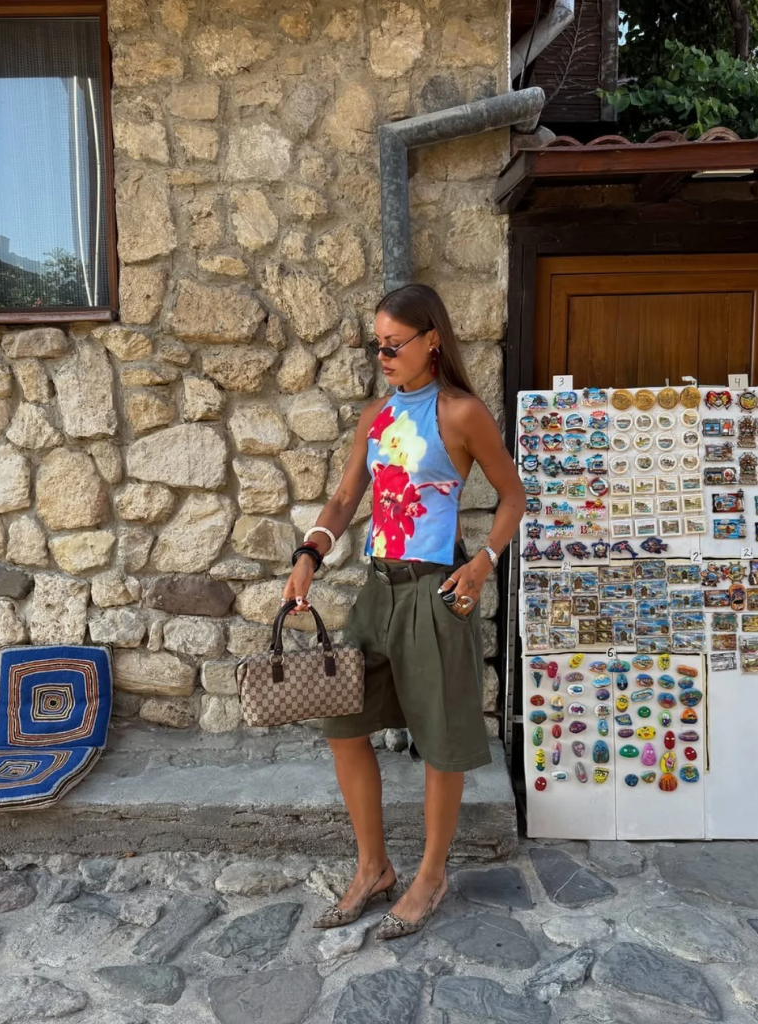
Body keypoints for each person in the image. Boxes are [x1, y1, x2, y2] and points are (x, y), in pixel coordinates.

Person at [282, 283, 525, 940]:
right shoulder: (377, 417)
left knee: (440, 741)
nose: (383, 356)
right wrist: (309, 553)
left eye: (393, 345)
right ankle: (374, 867)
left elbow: (512, 496)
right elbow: (343, 499)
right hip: (377, 589)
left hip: (436, 591)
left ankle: (430, 876)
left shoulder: (461, 413)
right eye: (377, 345)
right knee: (342, 724)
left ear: (431, 340)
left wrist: (484, 562)